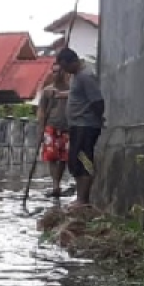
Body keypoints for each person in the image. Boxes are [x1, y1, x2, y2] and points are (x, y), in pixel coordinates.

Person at [57, 47, 104, 207]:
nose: (65, 71)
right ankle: (80, 198)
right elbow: (77, 95)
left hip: (86, 125)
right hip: (77, 125)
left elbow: (97, 101)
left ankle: (83, 200)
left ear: (73, 62)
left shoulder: (86, 76)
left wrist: (97, 120)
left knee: (83, 161)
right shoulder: (76, 76)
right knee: (75, 162)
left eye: (65, 67)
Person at [36, 63, 70, 198]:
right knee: (51, 157)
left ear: (64, 73)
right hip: (51, 127)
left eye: (59, 71)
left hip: (67, 128)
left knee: (64, 158)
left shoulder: (71, 90)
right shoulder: (47, 91)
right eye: (54, 71)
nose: (56, 74)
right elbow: (41, 112)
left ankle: (57, 184)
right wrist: (41, 130)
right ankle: (55, 185)